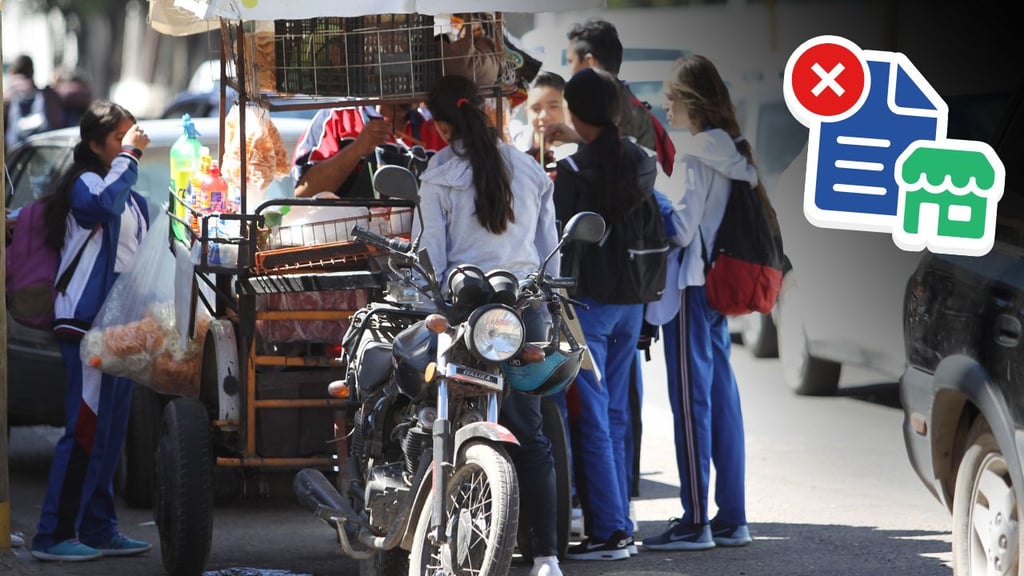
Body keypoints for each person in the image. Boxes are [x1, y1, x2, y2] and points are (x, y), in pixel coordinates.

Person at [414, 75, 563, 576]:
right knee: (530, 431)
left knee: (432, 413)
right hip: (522, 312)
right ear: (485, 111)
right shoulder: (529, 168)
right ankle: (546, 558)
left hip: (463, 310)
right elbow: (549, 256)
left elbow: (431, 254)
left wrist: (425, 302)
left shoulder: (438, 172)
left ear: (439, 124)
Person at [643, 54, 756, 552]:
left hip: (690, 287)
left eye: (672, 100)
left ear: (692, 102)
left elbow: (682, 229)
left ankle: (695, 522)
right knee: (723, 403)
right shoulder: (734, 149)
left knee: (691, 406)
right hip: (721, 288)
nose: (667, 110)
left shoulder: (694, 155)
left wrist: (655, 202)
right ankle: (732, 517)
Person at [30, 101, 153, 561]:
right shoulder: (88, 183)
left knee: (108, 433)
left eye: (131, 137)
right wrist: (133, 157)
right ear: (95, 145)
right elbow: (103, 204)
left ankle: (99, 529)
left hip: (118, 329)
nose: (129, 146)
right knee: (83, 430)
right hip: (85, 325)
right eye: (119, 139)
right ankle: (51, 535)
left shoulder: (128, 187)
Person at [554, 67, 658, 561]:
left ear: (576, 115)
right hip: (633, 302)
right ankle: (620, 523)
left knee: (591, 417)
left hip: (589, 306)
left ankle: (609, 533)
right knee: (615, 414)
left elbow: (559, 238)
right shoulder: (640, 161)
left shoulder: (573, 171)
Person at [291, 104, 445, 198]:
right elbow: (304, 193)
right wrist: (357, 148)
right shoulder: (338, 116)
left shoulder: (438, 127)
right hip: (351, 245)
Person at [511, 71, 577, 168]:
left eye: (553, 107)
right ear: (527, 111)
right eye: (535, 108)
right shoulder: (512, 142)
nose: (543, 116)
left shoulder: (576, 155)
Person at [4, 54, 65, 148]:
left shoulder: (8, 95)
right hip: (45, 148)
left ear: (13, 72)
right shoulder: (46, 94)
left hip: (17, 153)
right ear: (32, 71)